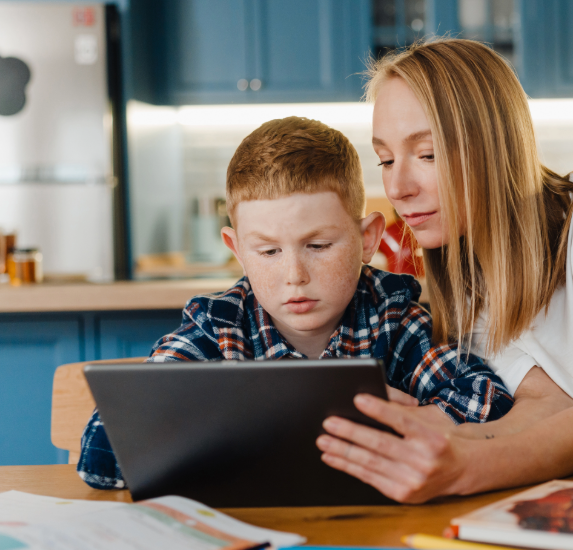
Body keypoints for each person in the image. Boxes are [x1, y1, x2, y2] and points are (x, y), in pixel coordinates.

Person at [315, 39, 573, 503]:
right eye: (385, 160)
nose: (397, 186)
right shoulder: (465, 269)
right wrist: (420, 439)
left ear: (495, 145)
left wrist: (462, 466)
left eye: (427, 154)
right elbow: (539, 406)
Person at [77, 116, 513, 490]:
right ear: (237, 248)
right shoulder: (219, 327)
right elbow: (104, 450)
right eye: (268, 252)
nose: (294, 275)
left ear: (368, 239)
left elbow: (491, 405)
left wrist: (418, 417)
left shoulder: (392, 317)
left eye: (318, 245)